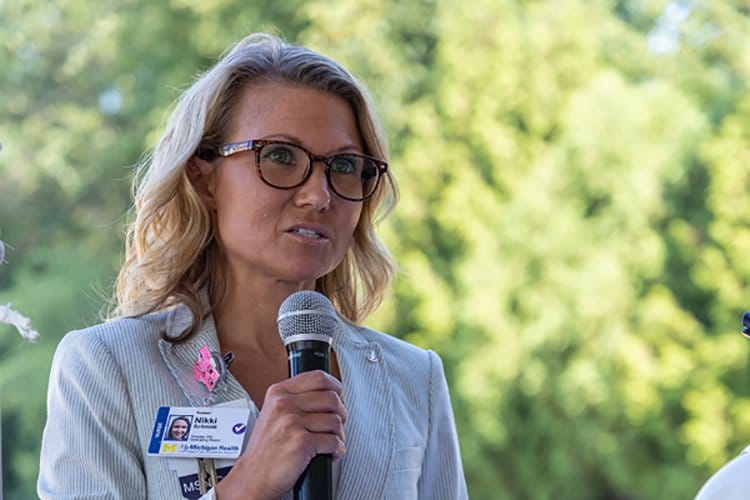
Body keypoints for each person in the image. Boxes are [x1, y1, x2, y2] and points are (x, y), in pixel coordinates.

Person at [37, 32, 468, 499]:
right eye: (280, 156)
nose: (318, 195)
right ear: (203, 177)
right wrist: (248, 486)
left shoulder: (412, 378)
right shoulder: (107, 368)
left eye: (344, 166)